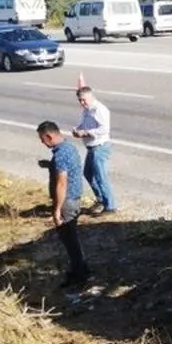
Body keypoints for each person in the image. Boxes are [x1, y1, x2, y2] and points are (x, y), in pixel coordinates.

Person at [37, 120, 91, 287]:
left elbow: (62, 183)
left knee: (69, 239)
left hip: (67, 201)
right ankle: (81, 268)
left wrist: (57, 209)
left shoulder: (60, 155)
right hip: (74, 199)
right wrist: (49, 165)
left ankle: (79, 274)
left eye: (42, 139)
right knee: (72, 237)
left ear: (49, 136)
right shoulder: (68, 148)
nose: (42, 142)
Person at [72, 86, 117, 215]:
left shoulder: (100, 110)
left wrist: (86, 133)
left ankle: (110, 206)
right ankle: (101, 199)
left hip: (100, 147)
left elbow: (104, 129)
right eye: (80, 100)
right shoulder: (86, 110)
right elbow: (83, 124)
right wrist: (77, 130)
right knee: (88, 174)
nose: (82, 103)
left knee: (101, 177)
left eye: (84, 100)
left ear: (90, 97)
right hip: (91, 147)